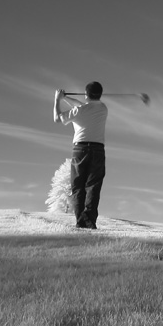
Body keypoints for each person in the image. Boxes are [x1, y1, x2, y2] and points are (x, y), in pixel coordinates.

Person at [53, 82, 108, 229]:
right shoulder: (103, 109)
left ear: (86, 94)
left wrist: (57, 100)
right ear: (100, 94)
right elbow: (83, 105)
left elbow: (57, 118)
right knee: (93, 186)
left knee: (78, 187)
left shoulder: (79, 110)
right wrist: (66, 98)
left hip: (80, 149)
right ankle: (89, 221)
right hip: (98, 150)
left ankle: (80, 222)